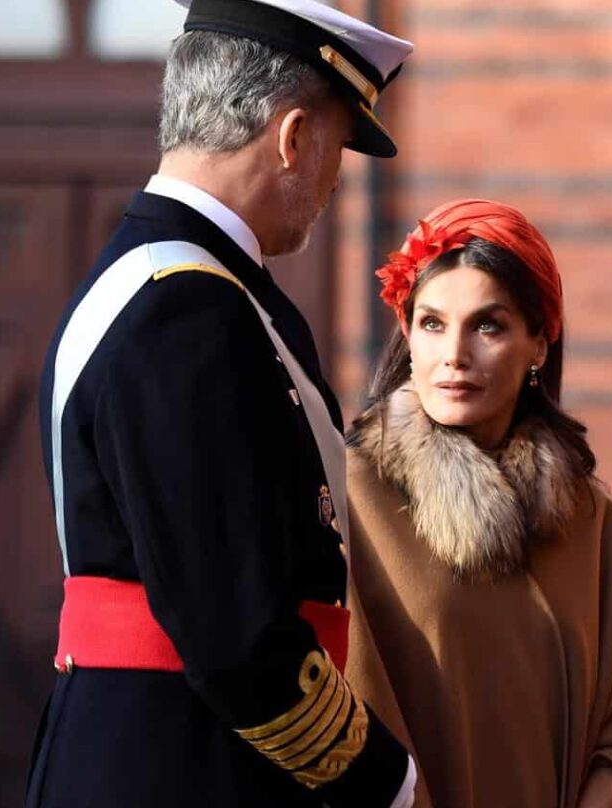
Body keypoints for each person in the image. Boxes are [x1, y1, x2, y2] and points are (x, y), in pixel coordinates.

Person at [27, 1, 418, 805]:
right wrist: (386, 781)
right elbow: (233, 631)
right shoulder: (186, 309)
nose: (336, 180)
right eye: (339, 146)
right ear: (293, 137)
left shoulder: (173, 285)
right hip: (185, 762)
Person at [342, 199, 612, 808]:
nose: (454, 354)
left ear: (538, 346)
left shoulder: (584, 518)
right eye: (432, 323)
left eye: (488, 325)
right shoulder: (352, 498)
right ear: (407, 335)